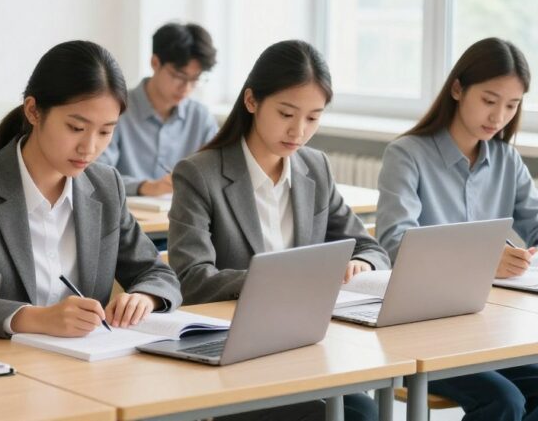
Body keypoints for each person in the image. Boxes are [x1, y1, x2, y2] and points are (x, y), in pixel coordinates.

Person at [169, 40, 386, 421]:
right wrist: (273, 281)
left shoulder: (314, 168)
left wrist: (362, 264)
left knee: (364, 410)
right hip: (235, 352)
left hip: (307, 343)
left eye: (313, 118)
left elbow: (369, 246)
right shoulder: (199, 174)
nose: (298, 131)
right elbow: (191, 279)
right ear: (251, 101)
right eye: (286, 113)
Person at [0, 40, 181, 338]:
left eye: (106, 131)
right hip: (7, 367)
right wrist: (32, 319)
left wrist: (144, 298)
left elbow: (156, 273)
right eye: (76, 128)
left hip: (90, 366)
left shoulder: (106, 186)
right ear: (33, 111)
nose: (90, 147)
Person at [376, 37, 538, 421]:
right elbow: (396, 245)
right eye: (489, 100)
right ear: (457, 89)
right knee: (505, 401)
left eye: (512, 105)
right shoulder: (407, 155)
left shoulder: (506, 159)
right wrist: (482, 262)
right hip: (421, 331)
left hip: (488, 328)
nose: (498, 116)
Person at [97, 22, 218, 196]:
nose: (186, 87)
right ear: (155, 62)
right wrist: (144, 187)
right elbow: (96, 174)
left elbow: (216, 175)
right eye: (179, 76)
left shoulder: (201, 118)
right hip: (125, 214)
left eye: (195, 79)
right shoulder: (117, 109)